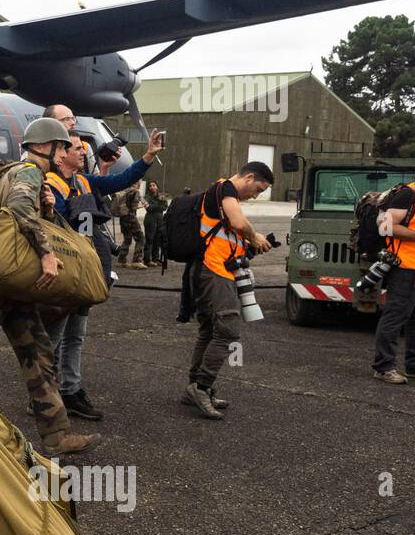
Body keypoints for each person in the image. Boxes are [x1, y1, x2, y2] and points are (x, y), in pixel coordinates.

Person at [0, 117, 100, 455]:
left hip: (11, 284)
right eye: (61, 146)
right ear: (45, 146)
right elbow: (19, 211)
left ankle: (56, 434)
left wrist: (50, 209)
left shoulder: (19, 173)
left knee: (38, 354)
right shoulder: (28, 172)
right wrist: (45, 253)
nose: (65, 153)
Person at [42, 125, 163, 421]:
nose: (83, 151)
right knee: (53, 337)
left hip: (87, 269)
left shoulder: (85, 181)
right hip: (64, 270)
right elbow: (56, 226)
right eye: (76, 148)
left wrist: (147, 156)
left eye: (84, 147)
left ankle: (70, 391)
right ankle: (43, 396)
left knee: (76, 336)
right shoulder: (48, 185)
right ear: (60, 156)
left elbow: (124, 179)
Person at [181, 161, 274, 418]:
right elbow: (239, 223)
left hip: (210, 270)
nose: (255, 195)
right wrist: (254, 236)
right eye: (257, 189)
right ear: (249, 177)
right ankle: (202, 387)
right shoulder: (225, 189)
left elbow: (229, 232)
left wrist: (249, 245)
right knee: (227, 330)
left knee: (209, 330)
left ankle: (194, 387)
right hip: (213, 272)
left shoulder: (221, 196)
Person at [372, 151, 415, 385]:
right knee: (395, 317)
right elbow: (385, 226)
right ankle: (384, 367)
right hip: (406, 269)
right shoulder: (407, 195)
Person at [143, 180, 169, 265]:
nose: (152, 187)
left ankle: (155, 259)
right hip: (150, 221)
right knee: (149, 240)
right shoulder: (145, 197)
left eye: (153, 185)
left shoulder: (161, 196)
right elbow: (148, 208)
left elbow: (165, 207)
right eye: (150, 186)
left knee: (157, 240)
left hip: (160, 221)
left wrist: (156, 205)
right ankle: (147, 259)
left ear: (157, 186)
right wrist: (158, 204)